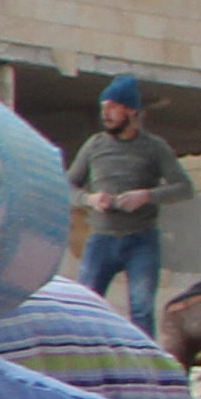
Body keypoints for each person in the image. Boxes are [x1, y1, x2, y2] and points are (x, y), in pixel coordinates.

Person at [65, 82, 187, 332]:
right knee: (84, 306)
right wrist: (90, 199)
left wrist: (147, 195)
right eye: (103, 109)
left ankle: (144, 367)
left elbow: (184, 187)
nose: (105, 115)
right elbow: (66, 187)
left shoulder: (155, 147)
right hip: (100, 240)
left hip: (141, 241)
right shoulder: (94, 145)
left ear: (131, 111)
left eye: (112, 108)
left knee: (141, 310)